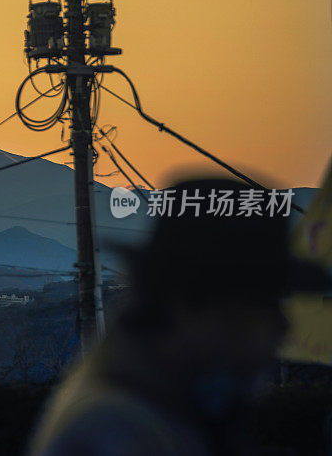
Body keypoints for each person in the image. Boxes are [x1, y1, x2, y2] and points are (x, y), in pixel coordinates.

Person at [27, 178, 331, 456]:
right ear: (187, 305)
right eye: (261, 304)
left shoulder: (148, 409)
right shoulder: (121, 431)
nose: (282, 324)